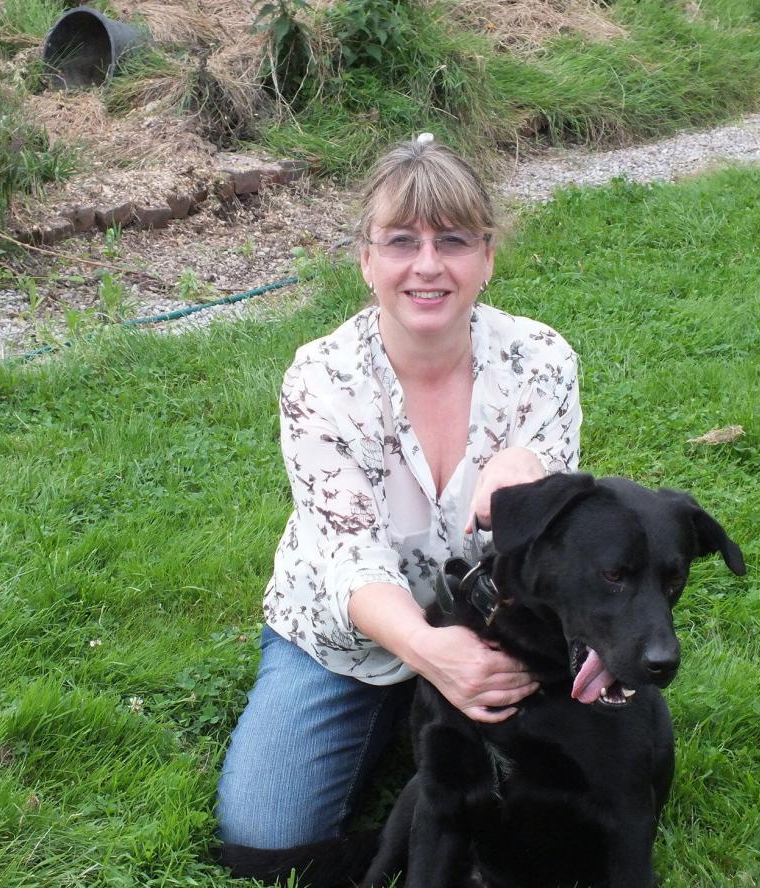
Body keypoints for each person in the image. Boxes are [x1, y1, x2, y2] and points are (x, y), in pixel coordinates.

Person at [216, 133, 582, 876]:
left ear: (487, 256)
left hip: (494, 627)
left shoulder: (542, 359)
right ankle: (395, 715)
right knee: (264, 838)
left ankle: (430, 727)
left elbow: (556, 538)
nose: (426, 265)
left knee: (567, 810)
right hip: (347, 642)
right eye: (401, 241)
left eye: (452, 240)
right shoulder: (321, 380)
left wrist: (529, 465)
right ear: (366, 260)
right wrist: (427, 653)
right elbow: (349, 558)